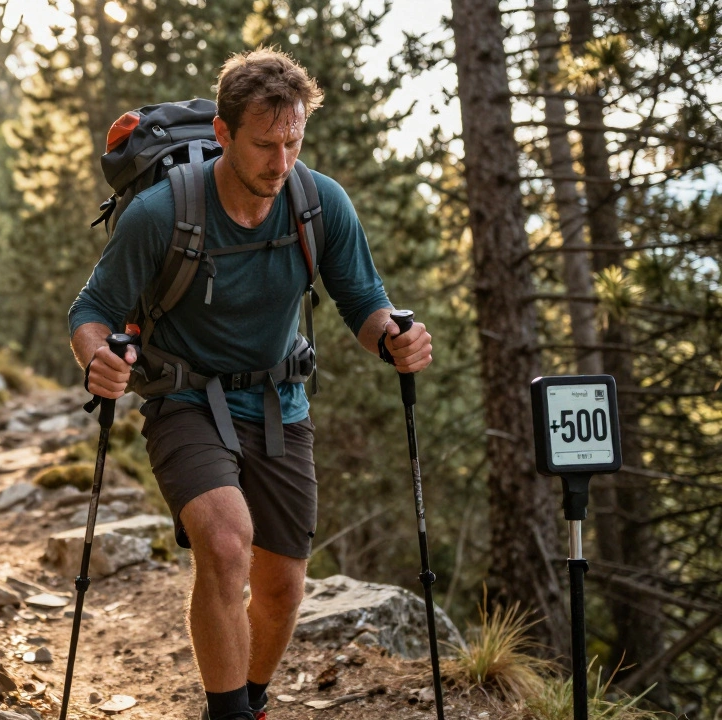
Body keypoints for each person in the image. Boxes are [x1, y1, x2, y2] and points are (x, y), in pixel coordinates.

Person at [67, 48, 434, 720]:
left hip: (278, 400)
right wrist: (101, 359)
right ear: (223, 134)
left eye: (294, 141)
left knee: (283, 588)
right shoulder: (161, 213)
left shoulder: (319, 204)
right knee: (227, 542)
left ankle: (250, 700)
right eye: (265, 144)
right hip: (183, 397)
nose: (282, 161)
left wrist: (394, 338)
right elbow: (89, 312)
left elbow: (362, 303)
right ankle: (230, 713)